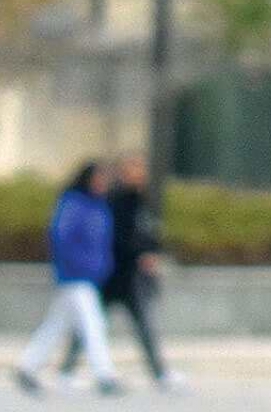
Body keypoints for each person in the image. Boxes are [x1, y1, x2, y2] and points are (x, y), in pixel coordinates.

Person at [56, 153, 183, 392]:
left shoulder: (139, 200)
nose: (139, 174)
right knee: (90, 325)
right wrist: (137, 254)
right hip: (110, 276)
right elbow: (112, 238)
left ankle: (158, 372)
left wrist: (150, 252)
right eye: (133, 168)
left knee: (136, 325)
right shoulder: (114, 201)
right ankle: (78, 372)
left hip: (127, 276)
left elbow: (147, 233)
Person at [12, 162, 122, 396]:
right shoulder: (74, 204)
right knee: (93, 324)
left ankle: (27, 366)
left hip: (91, 275)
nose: (103, 184)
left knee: (56, 324)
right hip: (75, 275)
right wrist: (78, 264)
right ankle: (105, 374)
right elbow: (61, 238)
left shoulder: (99, 206)